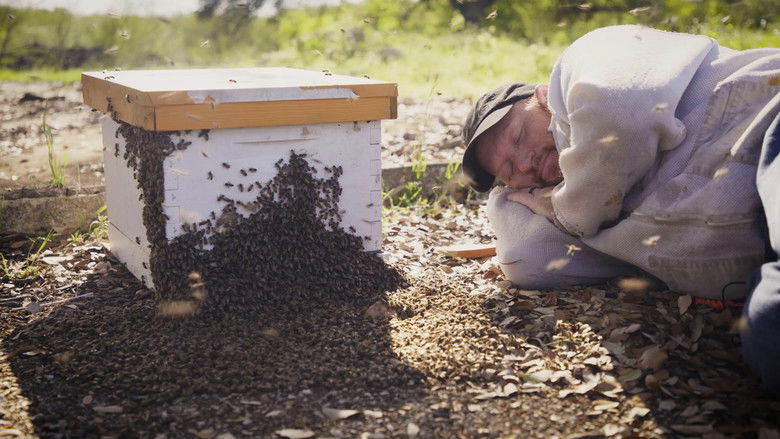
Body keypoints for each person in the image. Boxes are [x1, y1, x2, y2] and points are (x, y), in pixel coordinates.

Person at [460, 25, 780, 395]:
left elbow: (620, 107)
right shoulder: (582, 201)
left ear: (544, 96)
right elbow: (530, 259)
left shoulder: (585, 62)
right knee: (770, 331)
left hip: (769, 128)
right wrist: (515, 201)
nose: (526, 162)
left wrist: (564, 208)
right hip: (760, 248)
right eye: (509, 172)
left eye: (518, 137)